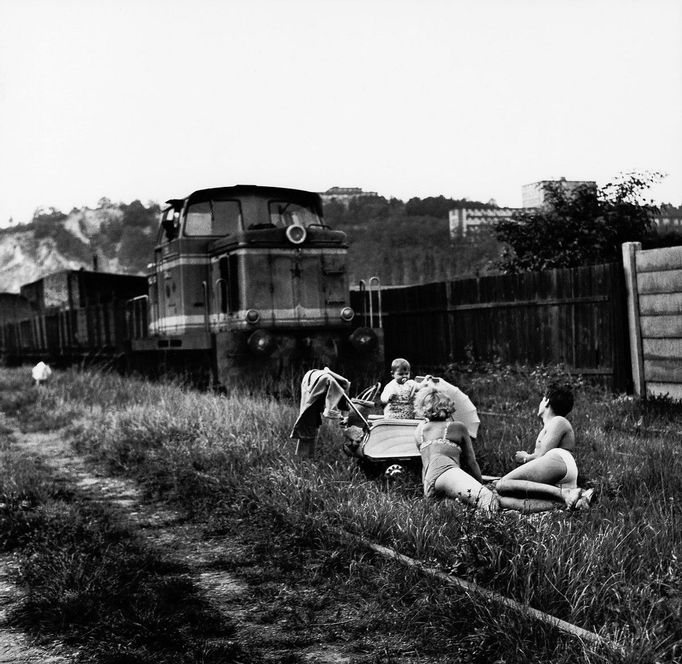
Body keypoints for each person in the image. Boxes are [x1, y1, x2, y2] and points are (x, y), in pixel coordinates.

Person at [494, 381, 594, 513]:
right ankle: (572, 502)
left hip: (559, 459)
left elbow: (541, 455)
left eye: (542, 399)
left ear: (546, 401)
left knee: (502, 484)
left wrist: (525, 458)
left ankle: (565, 493)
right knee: (501, 500)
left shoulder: (558, 421)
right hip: (556, 466)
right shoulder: (550, 424)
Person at [414, 385, 498, 513]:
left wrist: (427, 494)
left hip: (429, 480)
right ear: (447, 407)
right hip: (446, 471)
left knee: (462, 507)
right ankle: (489, 529)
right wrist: (480, 484)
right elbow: (471, 461)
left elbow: (424, 464)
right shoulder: (457, 427)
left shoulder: (419, 430)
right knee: (488, 498)